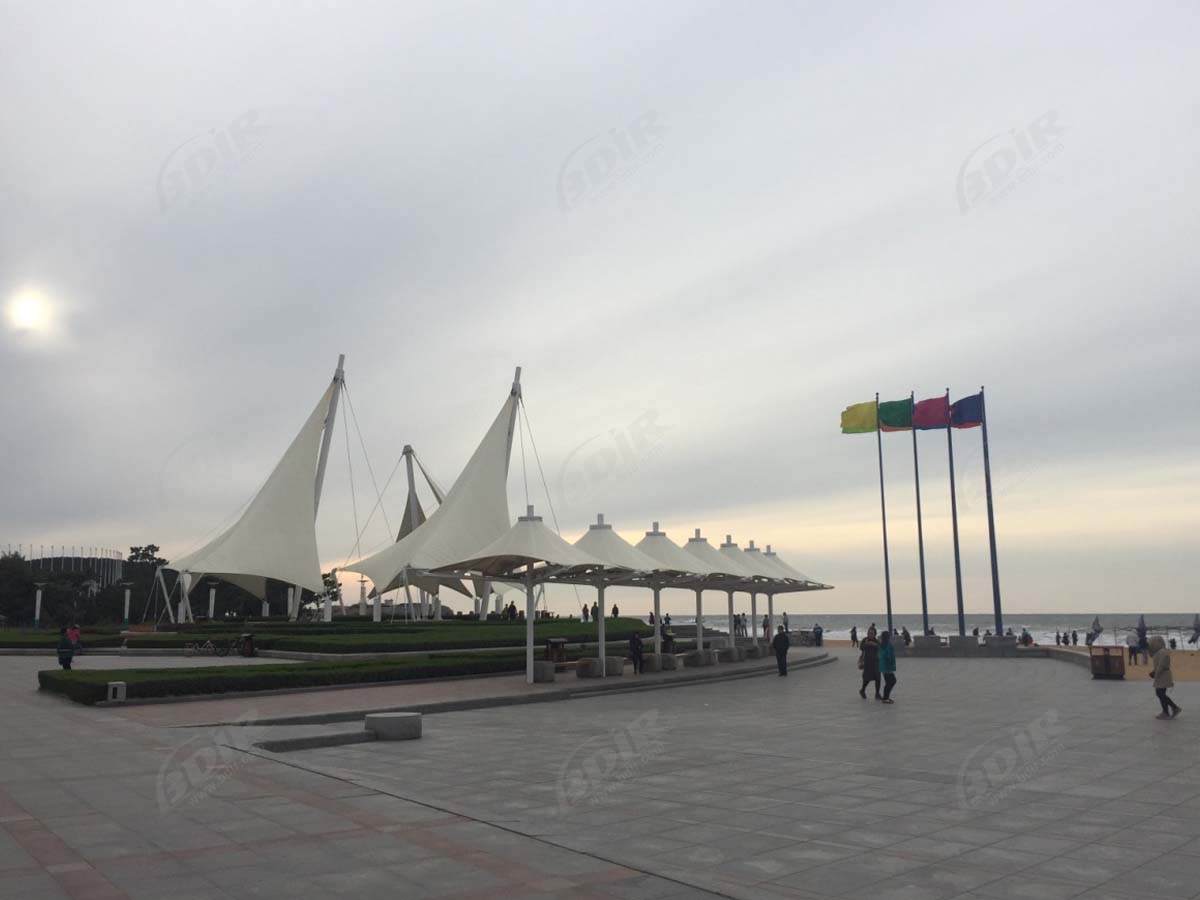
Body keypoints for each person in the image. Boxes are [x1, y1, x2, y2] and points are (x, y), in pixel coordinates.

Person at [1149, 636, 1182, 719]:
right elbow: (1159, 664)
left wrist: (1156, 673)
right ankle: (1171, 710)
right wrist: (1154, 671)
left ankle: (1169, 711)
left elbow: (1162, 665)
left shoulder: (1163, 651)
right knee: (1160, 693)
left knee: (1160, 693)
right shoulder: (1160, 652)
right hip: (1161, 674)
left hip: (1163, 675)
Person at [859, 626, 881, 700]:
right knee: (867, 678)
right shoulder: (865, 640)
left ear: (875, 634)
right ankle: (862, 690)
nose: (870, 634)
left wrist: (874, 645)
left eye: (871, 633)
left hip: (876, 662)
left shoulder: (877, 641)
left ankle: (877, 694)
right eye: (869, 633)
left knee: (878, 678)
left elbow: (880, 648)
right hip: (867, 662)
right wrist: (867, 644)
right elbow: (861, 648)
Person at [879, 630, 897, 703]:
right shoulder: (887, 644)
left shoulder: (882, 644)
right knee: (892, 681)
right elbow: (888, 655)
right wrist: (891, 661)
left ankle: (886, 697)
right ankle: (885, 698)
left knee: (889, 682)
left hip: (884, 666)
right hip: (887, 666)